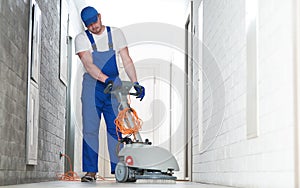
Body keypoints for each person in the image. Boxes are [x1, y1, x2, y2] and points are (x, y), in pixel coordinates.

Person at [75, 6, 145, 182]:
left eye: (95, 22)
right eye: (89, 25)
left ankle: (119, 169)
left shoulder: (116, 33)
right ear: (86, 25)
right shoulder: (81, 39)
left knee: (116, 128)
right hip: (93, 87)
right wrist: (106, 79)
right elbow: (89, 65)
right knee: (90, 129)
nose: (94, 27)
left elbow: (126, 60)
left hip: (114, 86)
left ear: (100, 17)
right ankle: (90, 171)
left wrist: (135, 82)